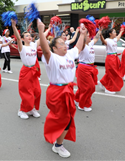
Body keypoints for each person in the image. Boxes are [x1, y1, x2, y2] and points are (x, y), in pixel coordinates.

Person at [39, 19, 87, 158]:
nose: (65, 45)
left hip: (68, 90)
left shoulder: (70, 54)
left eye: (64, 43)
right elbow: (44, 49)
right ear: (54, 48)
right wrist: (41, 32)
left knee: (64, 116)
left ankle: (53, 135)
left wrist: (82, 34)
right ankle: (58, 146)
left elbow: (78, 47)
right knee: (66, 118)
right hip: (57, 92)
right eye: (61, 43)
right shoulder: (51, 58)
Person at [11, 20, 50, 119]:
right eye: (27, 36)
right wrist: (14, 26)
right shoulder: (22, 48)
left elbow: (42, 36)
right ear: (23, 39)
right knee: (26, 93)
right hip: (26, 71)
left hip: (34, 71)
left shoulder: (33, 45)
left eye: (30, 35)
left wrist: (49, 28)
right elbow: (18, 39)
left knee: (37, 91)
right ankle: (22, 110)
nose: (30, 37)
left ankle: (32, 108)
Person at [75, 28, 101, 112]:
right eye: (88, 35)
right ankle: (82, 104)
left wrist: (100, 30)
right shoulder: (82, 45)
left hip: (91, 68)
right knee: (89, 87)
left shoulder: (90, 44)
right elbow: (79, 44)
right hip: (83, 68)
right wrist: (82, 34)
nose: (90, 37)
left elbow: (96, 38)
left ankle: (76, 99)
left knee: (84, 87)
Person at [97, 27, 124, 94]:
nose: (115, 33)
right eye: (114, 32)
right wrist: (100, 35)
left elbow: (119, 36)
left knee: (111, 72)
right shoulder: (107, 40)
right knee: (112, 73)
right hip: (110, 58)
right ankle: (108, 88)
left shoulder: (115, 39)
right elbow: (103, 41)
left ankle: (101, 82)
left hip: (115, 58)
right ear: (110, 34)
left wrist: (122, 31)